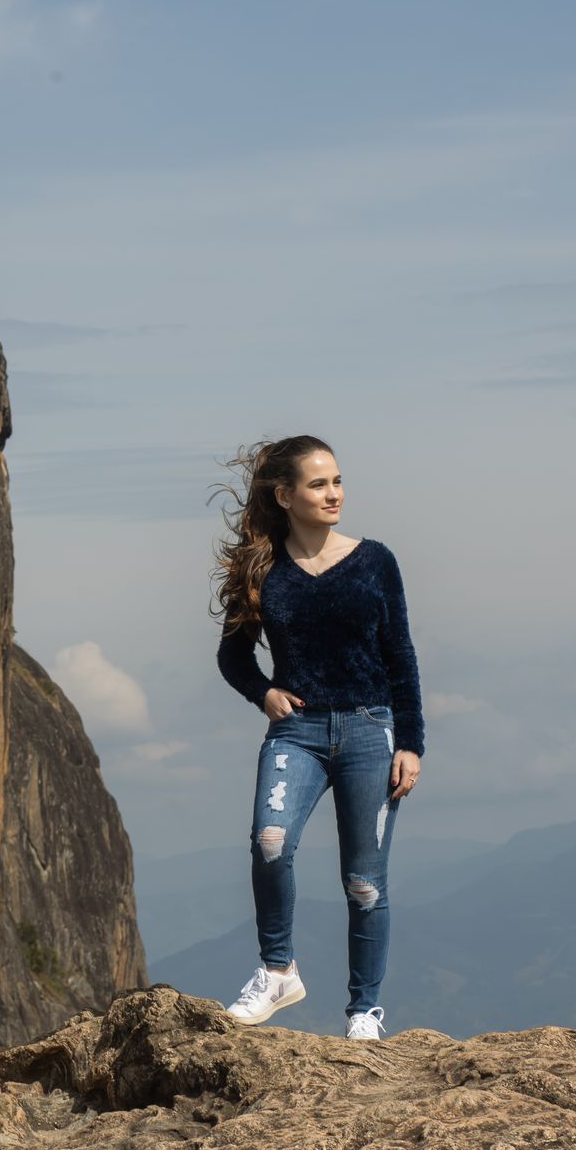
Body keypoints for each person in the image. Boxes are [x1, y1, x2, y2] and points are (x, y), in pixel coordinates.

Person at [210, 434, 424, 1041]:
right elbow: (232, 657)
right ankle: (278, 971)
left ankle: (364, 1011)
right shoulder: (262, 569)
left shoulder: (375, 560)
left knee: (364, 881)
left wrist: (411, 741)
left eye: (337, 481)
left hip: (369, 729)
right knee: (270, 843)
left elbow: (400, 654)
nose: (334, 494)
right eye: (318, 484)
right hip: (296, 732)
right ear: (284, 495)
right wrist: (263, 692)